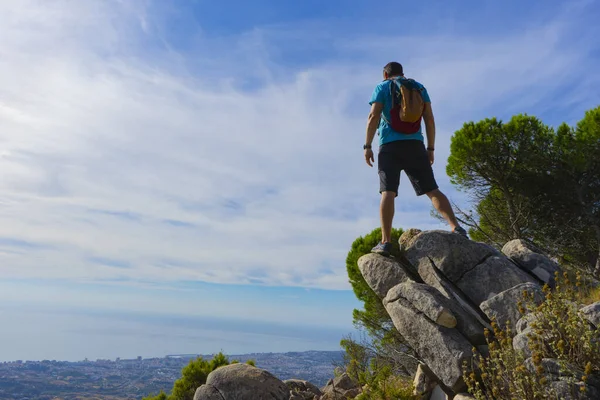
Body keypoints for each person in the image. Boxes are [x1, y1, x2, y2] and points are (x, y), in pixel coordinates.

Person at [364, 61, 467, 256]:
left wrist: (367, 145)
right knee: (432, 190)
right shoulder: (419, 87)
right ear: (403, 73)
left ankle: (386, 242)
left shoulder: (382, 86)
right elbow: (429, 119)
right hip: (415, 145)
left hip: (389, 147)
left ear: (385, 75)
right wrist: (431, 148)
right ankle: (456, 227)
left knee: (388, 192)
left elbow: (373, 116)